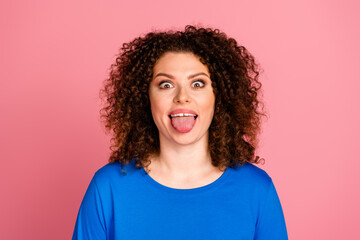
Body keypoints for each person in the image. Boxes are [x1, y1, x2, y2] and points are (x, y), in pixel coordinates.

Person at [72, 25, 288, 240]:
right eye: (166, 85)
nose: (182, 97)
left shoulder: (257, 190)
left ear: (219, 98)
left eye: (197, 83)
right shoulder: (108, 188)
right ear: (145, 98)